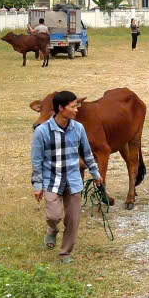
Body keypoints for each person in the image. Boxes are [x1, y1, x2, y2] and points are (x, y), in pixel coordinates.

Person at [30, 91, 102, 264]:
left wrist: (95, 174)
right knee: (54, 216)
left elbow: (87, 153)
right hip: (51, 180)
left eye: (76, 105)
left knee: (73, 219)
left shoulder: (78, 128)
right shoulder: (42, 132)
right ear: (61, 108)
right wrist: (38, 185)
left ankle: (65, 253)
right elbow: (37, 161)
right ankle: (52, 230)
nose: (76, 109)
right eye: (72, 106)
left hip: (73, 180)